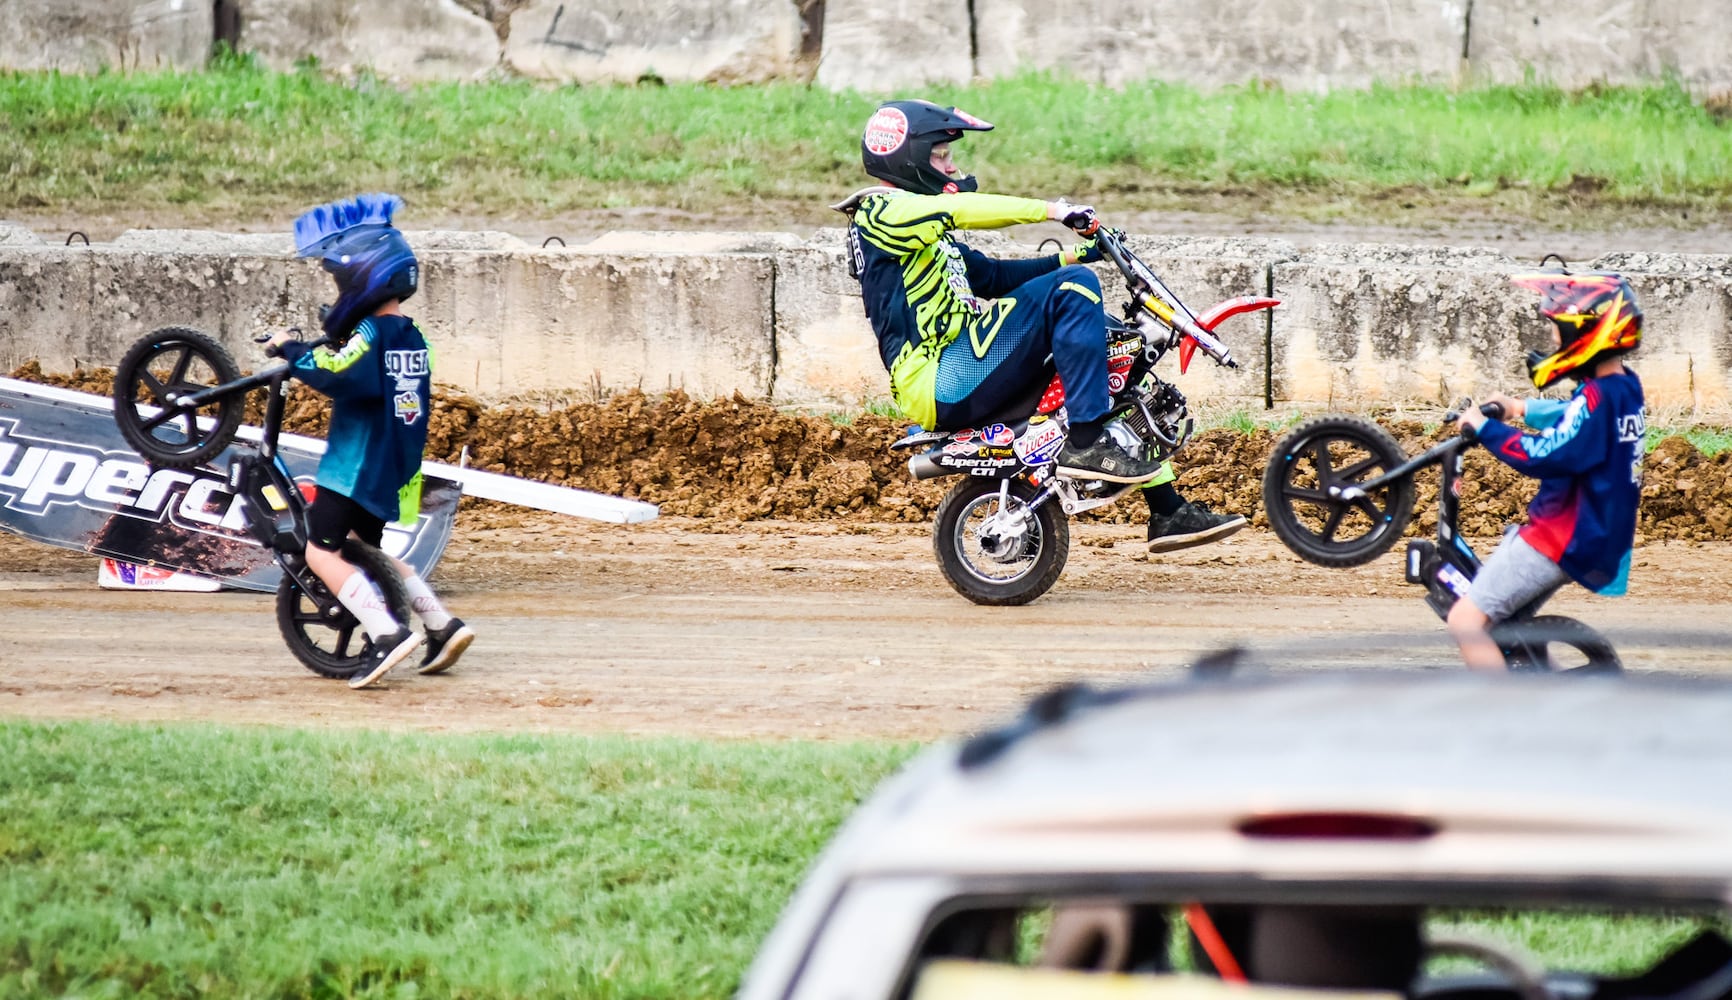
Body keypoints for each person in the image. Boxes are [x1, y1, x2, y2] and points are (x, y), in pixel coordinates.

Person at [835, 99, 1244, 551]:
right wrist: (1055, 211)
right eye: (941, 157)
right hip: (939, 378)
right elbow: (964, 210)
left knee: (1110, 344)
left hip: (963, 362)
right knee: (1074, 288)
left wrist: (1081, 253)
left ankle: (1168, 512)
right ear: (909, 158)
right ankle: (1086, 442)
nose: (951, 166)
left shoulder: (923, 235)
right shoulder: (881, 213)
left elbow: (991, 276)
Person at [267, 193, 474, 689]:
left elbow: (340, 374)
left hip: (355, 466)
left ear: (362, 278)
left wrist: (292, 350)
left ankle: (385, 633)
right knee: (365, 551)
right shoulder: (411, 334)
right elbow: (374, 376)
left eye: (339, 279)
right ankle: (441, 625)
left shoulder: (371, 333)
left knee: (319, 552)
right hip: (394, 464)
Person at [1449, 269, 1646, 671]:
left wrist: (1486, 428)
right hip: (1594, 535)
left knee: (1467, 620)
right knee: (1507, 626)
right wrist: (1520, 408)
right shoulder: (1625, 388)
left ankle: (1503, 719)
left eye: (1558, 330)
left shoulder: (1595, 399)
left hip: (1559, 538)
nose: (1553, 340)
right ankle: (1546, 700)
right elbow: (1572, 414)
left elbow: (1544, 454)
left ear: (1585, 336)